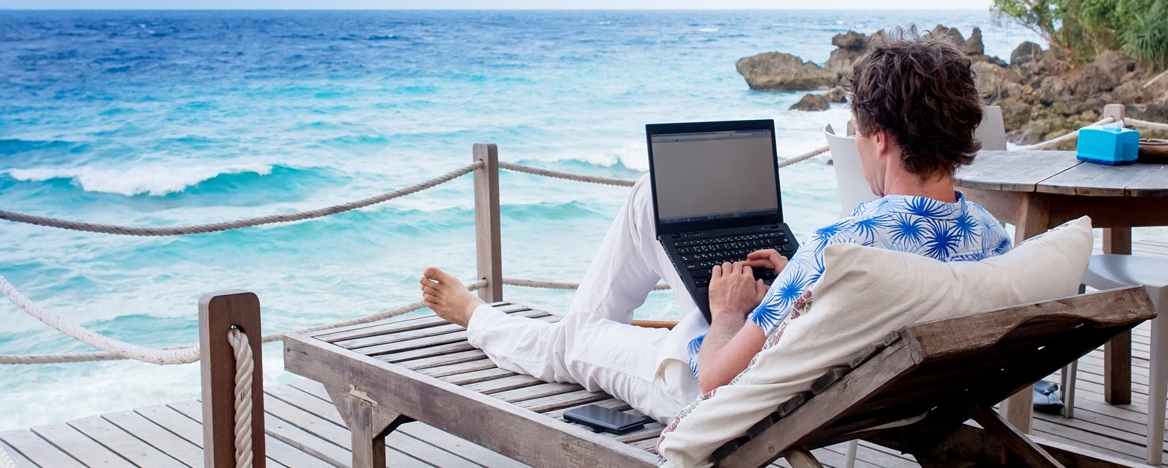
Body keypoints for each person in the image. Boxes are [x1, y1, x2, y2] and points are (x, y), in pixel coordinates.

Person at [420, 28, 1013, 424]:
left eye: (857, 131)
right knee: (652, 196)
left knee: (574, 339)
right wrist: (796, 283)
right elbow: (864, 298)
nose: (857, 143)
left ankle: (481, 319)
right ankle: (579, 327)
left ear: (880, 138)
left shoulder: (844, 246)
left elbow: (714, 380)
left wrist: (729, 311)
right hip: (864, 380)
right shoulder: (990, 237)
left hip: (736, 391)